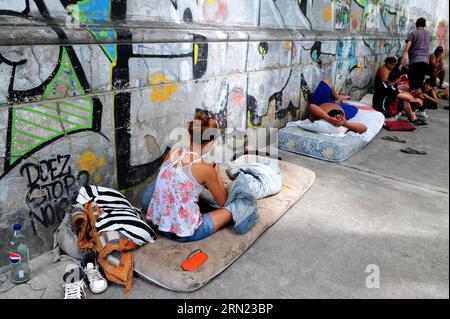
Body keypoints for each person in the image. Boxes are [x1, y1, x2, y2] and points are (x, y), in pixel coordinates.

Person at [146, 112, 232, 242]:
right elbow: (223, 202)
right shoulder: (206, 169)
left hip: (159, 224)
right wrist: (217, 172)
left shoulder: (173, 152)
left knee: (174, 180)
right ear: (210, 143)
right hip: (184, 232)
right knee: (233, 209)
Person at [400, 18, 432, 97]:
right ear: (424, 25)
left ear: (416, 24)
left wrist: (401, 63)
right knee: (419, 83)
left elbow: (406, 49)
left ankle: (410, 100)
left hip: (415, 61)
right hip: (425, 61)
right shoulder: (429, 34)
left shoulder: (413, 33)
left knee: (413, 83)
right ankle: (416, 101)